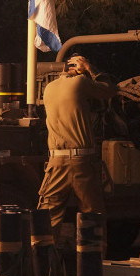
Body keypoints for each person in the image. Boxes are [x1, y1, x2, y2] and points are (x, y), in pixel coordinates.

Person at [38, 55, 121, 230]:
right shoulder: (80, 83)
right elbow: (109, 90)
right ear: (78, 68)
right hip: (80, 163)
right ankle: (92, 256)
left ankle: (43, 256)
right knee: (93, 217)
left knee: (47, 219)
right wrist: (90, 68)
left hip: (55, 162)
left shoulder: (49, 88)